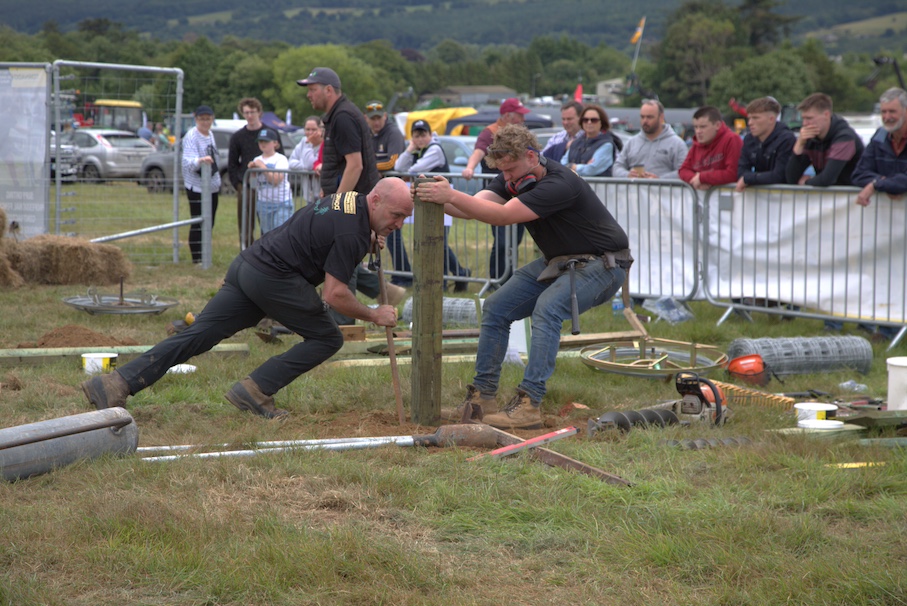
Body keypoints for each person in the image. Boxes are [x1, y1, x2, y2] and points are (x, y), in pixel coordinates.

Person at [81, 178, 414, 420]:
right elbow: (335, 294)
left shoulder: (350, 202)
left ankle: (114, 383)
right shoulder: (352, 231)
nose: (398, 224)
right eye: (396, 215)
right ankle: (254, 391)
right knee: (327, 337)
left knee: (198, 335)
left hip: (250, 266)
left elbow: (329, 236)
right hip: (275, 277)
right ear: (376, 201)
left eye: (403, 219)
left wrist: (370, 237)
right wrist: (375, 314)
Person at [415, 125, 630, 429]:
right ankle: (481, 400)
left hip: (604, 265)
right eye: (502, 172)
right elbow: (476, 207)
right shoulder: (511, 176)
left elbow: (501, 216)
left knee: (548, 308)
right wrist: (433, 195)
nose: (508, 178)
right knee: (496, 306)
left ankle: (529, 404)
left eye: (512, 169)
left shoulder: (559, 182)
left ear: (531, 157)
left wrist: (450, 194)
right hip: (561, 261)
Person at [297, 67, 404, 316]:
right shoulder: (340, 114)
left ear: (329, 90)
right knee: (344, 260)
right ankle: (366, 301)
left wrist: (336, 203)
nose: (308, 95)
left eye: (312, 90)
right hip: (351, 202)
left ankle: (342, 323)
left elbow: (355, 165)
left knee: (343, 263)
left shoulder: (343, 116)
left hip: (350, 203)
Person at [849, 87, 907, 341]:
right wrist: (885, 182)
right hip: (887, 226)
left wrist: (876, 185)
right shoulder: (879, 137)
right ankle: (887, 328)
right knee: (886, 272)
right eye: (884, 111)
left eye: (892, 111)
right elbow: (859, 174)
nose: (887, 116)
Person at [394, 119, 471, 291]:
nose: (420, 139)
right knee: (434, 240)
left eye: (423, 135)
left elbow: (414, 170)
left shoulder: (435, 149)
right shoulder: (417, 150)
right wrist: (409, 149)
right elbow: (398, 167)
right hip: (428, 201)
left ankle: (444, 282)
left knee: (439, 241)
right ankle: (460, 273)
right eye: (416, 135)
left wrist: (408, 164)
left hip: (442, 201)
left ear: (430, 135)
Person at [462, 97, 531, 283]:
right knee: (501, 241)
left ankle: (508, 280)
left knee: (514, 241)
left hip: (519, 193)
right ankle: (496, 280)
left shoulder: (519, 135)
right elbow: (479, 151)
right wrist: (470, 167)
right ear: (508, 116)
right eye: (519, 115)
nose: (523, 119)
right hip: (498, 194)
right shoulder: (490, 132)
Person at [228, 98, 285, 249]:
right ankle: (247, 251)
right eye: (246, 112)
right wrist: (238, 184)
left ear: (259, 112)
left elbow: (281, 156)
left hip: (269, 185)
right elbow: (232, 164)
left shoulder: (271, 133)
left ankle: (268, 250)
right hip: (247, 184)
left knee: (269, 223)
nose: (249, 115)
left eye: (252, 112)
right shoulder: (237, 136)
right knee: (246, 222)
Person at [785, 92, 864, 187]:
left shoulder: (845, 137)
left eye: (809, 118)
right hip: (829, 199)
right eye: (803, 118)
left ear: (826, 115)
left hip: (853, 197)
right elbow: (790, 178)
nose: (805, 124)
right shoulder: (810, 138)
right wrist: (799, 144)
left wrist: (805, 183)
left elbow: (827, 179)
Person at [181, 105, 221, 264]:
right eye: (201, 119)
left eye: (208, 118)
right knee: (198, 221)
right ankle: (197, 258)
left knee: (209, 221)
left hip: (211, 186)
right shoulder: (191, 135)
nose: (205, 122)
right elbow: (187, 162)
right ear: (195, 118)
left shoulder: (210, 134)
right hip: (197, 186)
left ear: (212, 119)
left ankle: (205, 253)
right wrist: (200, 161)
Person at [612, 99, 688, 179]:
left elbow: (684, 171)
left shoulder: (677, 144)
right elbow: (617, 167)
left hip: (663, 191)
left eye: (649, 117)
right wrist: (627, 175)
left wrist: (659, 180)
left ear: (661, 117)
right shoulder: (631, 142)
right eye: (642, 117)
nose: (645, 121)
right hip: (634, 191)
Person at [736, 96, 796, 191]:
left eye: (755, 118)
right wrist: (751, 178)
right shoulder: (749, 139)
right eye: (749, 118)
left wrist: (748, 178)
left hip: (784, 199)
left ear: (771, 119)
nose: (750, 123)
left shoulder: (786, 139)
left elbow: (779, 175)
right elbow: (741, 171)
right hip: (759, 200)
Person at [679, 105, 743, 190]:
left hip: (728, 198)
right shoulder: (696, 145)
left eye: (703, 127)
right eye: (696, 127)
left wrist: (703, 178)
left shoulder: (732, 140)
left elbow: (733, 173)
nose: (698, 131)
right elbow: (683, 170)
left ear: (717, 125)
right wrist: (695, 180)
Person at [249, 127, 293, 235]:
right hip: (263, 203)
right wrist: (252, 173)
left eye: (266, 141)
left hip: (281, 203)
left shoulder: (280, 159)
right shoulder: (257, 159)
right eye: (260, 141)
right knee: (267, 235)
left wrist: (262, 167)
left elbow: (276, 180)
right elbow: (253, 185)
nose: (263, 144)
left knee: (280, 235)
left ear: (275, 143)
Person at [560, 104, 622, 177]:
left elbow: (592, 169)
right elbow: (562, 165)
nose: (589, 122)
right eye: (585, 120)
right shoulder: (575, 143)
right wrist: (576, 166)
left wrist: (574, 167)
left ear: (601, 123)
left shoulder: (607, 145)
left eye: (594, 120)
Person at [288, 115, 324, 204]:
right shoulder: (303, 141)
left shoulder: (324, 143)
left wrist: (308, 144)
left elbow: (309, 164)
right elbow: (291, 163)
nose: (310, 132)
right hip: (308, 192)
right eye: (307, 129)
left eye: (314, 129)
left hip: (321, 192)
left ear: (320, 129)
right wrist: (304, 167)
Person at [365, 100, 405, 173]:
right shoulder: (365, 134)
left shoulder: (393, 133)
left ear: (385, 116)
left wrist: (368, 167)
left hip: (392, 181)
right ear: (366, 118)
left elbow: (393, 162)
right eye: (373, 119)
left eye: (379, 118)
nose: (376, 122)